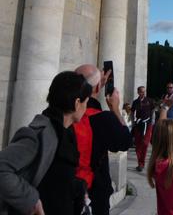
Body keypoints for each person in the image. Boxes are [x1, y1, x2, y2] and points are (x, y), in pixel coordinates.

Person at [0, 71, 92, 215]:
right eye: (86, 102)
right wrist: (31, 200)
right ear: (77, 103)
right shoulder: (37, 135)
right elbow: (2, 168)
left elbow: (54, 178)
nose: (86, 108)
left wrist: (77, 186)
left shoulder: (67, 133)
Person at [75, 64, 132, 215]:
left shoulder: (64, 115)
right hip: (94, 191)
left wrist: (98, 84)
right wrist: (115, 110)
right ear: (98, 86)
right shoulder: (104, 119)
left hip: (66, 189)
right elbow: (125, 141)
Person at [131, 86, 155, 172]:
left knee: (145, 143)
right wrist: (133, 122)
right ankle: (140, 163)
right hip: (138, 125)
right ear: (138, 92)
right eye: (141, 91)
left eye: (144, 91)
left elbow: (153, 111)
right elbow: (132, 112)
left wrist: (152, 122)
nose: (143, 93)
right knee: (138, 145)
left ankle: (142, 163)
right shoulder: (135, 102)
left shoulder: (149, 101)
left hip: (147, 124)